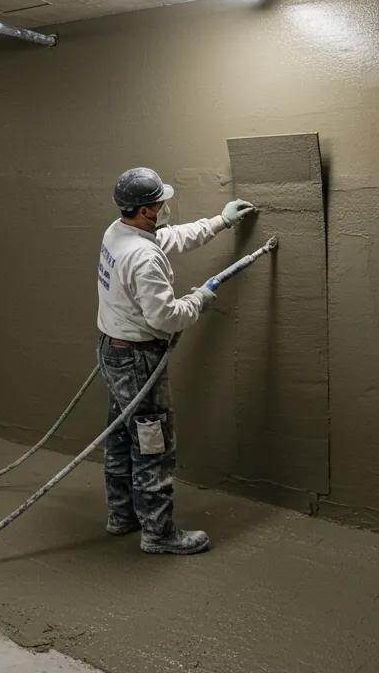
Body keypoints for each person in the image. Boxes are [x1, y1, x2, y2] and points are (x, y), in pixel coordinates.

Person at [95, 167, 257, 554]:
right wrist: (198, 300)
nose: (166, 206)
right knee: (152, 443)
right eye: (160, 202)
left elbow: (168, 239)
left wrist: (219, 222)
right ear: (145, 210)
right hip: (137, 361)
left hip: (113, 351)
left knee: (122, 436)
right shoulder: (143, 258)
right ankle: (158, 533)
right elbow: (165, 318)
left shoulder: (118, 232)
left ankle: (122, 515)